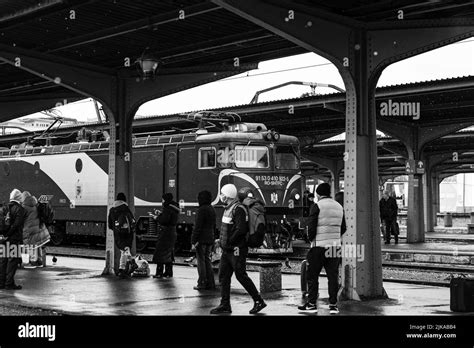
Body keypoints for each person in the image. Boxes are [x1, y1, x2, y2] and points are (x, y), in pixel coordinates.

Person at [210, 184, 267, 314]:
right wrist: (221, 241)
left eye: (222, 194)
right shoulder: (228, 208)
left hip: (236, 249)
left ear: (227, 195)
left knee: (240, 275)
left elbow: (241, 230)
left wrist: (229, 241)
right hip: (228, 249)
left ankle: (259, 301)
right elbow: (228, 229)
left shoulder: (239, 209)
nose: (220, 196)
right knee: (224, 276)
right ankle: (225, 304)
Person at [298, 183, 345, 314]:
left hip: (318, 247)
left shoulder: (317, 206)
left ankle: (312, 304)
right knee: (333, 277)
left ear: (318, 194)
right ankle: (333, 305)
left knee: (312, 276)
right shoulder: (339, 206)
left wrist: (310, 238)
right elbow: (344, 227)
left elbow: (311, 227)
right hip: (334, 247)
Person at [0, 189, 27, 290]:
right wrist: (9, 234)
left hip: (3, 239)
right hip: (13, 239)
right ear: (19, 198)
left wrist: (4, 234)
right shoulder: (19, 209)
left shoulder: (4, 207)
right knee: (12, 261)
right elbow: (17, 225)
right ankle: (9, 283)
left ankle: (1, 283)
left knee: (3, 260)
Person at [191, 190, 216, 290]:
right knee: (207, 260)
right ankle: (210, 283)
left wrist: (193, 240)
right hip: (210, 238)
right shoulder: (212, 209)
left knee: (201, 261)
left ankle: (202, 282)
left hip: (201, 240)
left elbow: (197, 227)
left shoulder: (201, 210)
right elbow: (214, 226)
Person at [108, 192, 137, 278]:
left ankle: (122, 269)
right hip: (127, 233)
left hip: (118, 233)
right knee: (125, 249)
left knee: (123, 250)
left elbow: (110, 225)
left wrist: (116, 228)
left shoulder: (112, 210)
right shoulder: (125, 208)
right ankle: (131, 262)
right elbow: (132, 220)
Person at [152, 193, 179, 278]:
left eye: (163, 199)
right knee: (169, 252)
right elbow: (169, 218)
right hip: (172, 232)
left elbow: (164, 221)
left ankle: (159, 273)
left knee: (160, 251)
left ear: (165, 199)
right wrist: (161, 213)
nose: (162, 201)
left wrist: (156, 218)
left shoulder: (167, 208)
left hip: (166, 233)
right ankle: (168, 272)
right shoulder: (174, 208)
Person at [21, 191, 50, 267]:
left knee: (30, 246)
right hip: (37, 228)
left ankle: (32, 261)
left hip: (28, 228)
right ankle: (39, 261)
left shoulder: (24, 207)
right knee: (37, 245)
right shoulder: (35, 205)